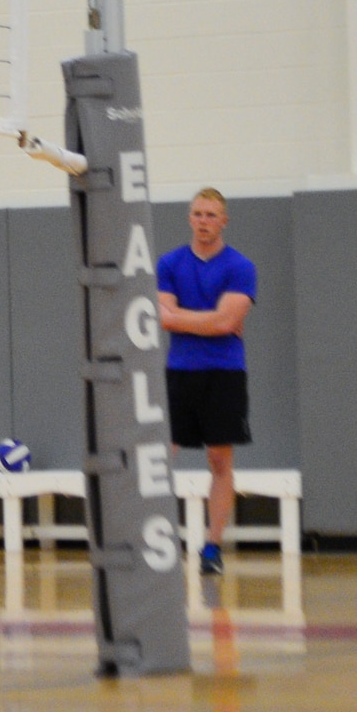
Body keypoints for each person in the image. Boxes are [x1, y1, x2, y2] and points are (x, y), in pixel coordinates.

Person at [156, 187, 256, 577]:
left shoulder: (240, 267)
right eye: (197, 214)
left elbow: (228, 321)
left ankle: (212, 546)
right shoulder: (170, 263)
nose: (203, 222)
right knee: (162, 458)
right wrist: (209, 321)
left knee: (220, 460)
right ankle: (159, 537)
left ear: (224, 221)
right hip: (179, 371)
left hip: (224, 373)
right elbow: (162, 318)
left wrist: (187, 317)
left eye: (211, 215)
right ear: (189, 218)